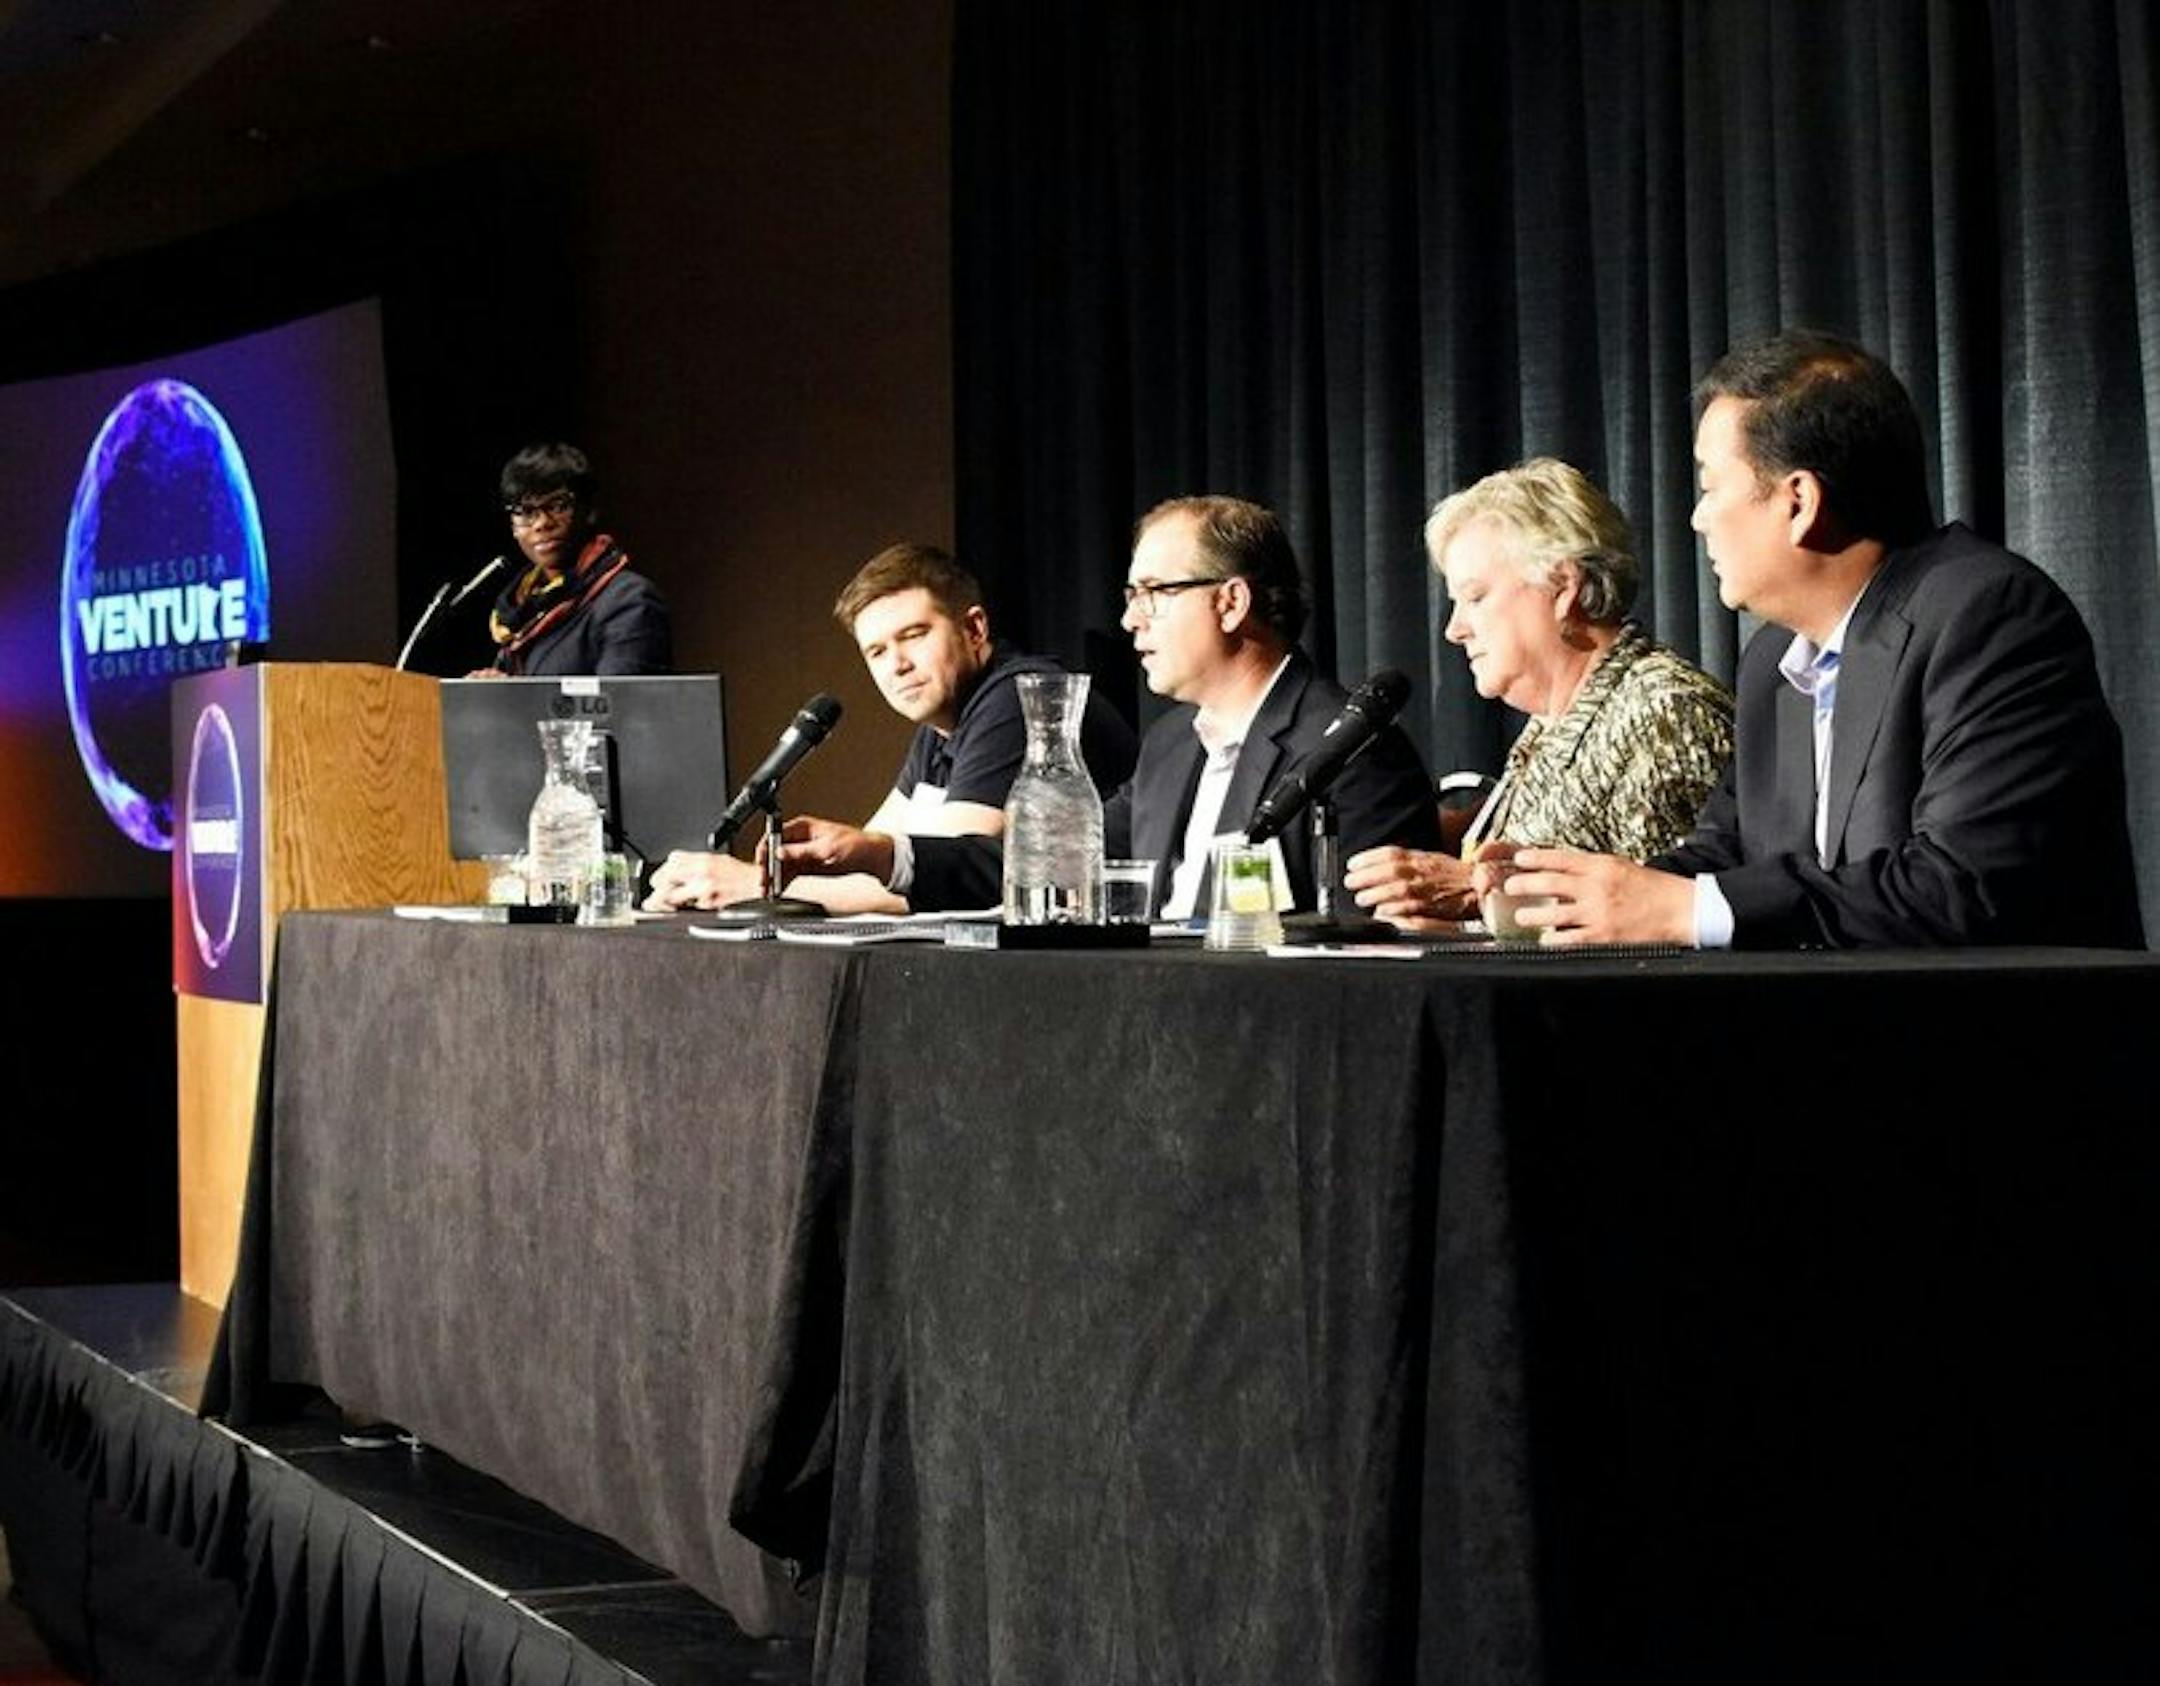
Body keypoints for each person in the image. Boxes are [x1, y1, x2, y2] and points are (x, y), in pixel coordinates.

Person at [1492, 328, 2144, 949]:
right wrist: (1561, 895)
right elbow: (1726, 857)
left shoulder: (1989, 616)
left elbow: (1961, 883)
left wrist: (1688, 910)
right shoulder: (1772, 662)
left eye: (1710, 485)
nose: (1696, 517)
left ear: (1798, 501)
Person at [779, 495, 1443, 914]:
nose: (1131, 622)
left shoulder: (1348, 749)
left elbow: (1375, 953)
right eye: (1130, 597)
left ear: (1230, 602)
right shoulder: (1171, 747)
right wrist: (880, 854)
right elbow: (1048, 867)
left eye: (1152, 593)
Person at [1343, 460, 1733, 931]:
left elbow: (1659, 929)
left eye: (1476, 597)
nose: (1455, 629)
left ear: (1562, 587)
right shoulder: (1551, 723)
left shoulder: (1665, 712)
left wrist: (1474, 891)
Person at [643, 544, 1135, 912]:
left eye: (914, 636)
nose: (897, 665)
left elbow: (943, 877)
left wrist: (752, 887)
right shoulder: (939, 728)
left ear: (975, 629)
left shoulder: (1019, 698)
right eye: (876, 652)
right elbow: (877, 847)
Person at [480, 443, 671, 676]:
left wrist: (515, 699)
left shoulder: (629, 601)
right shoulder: (521, 613)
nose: (542, 523)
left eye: (558, 506)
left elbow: (618, 707)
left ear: (588, 511)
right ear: (513, 526)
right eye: (527, 512)